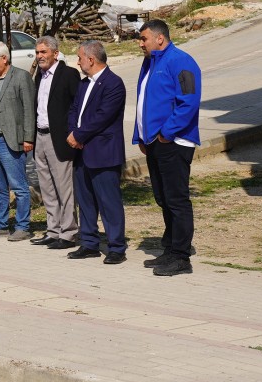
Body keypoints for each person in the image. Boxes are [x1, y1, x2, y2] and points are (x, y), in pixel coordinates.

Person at [132, 19, 203, 277]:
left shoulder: (180, 61)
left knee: (176, 199)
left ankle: (182, 258)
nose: (141, 44)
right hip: (154, 142)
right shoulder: (151, 63)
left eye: (144, 39)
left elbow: (189, 102)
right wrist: (140, 135)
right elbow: (143, 101)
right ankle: (171, 249)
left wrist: (166, 133)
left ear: (160, 38)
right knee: (163, 198)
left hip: (173, 142)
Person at [66, 41, 128, 264]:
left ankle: (116, 247)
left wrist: (79, 136)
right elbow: (74, 110)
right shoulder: (84, 84)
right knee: (86, 201)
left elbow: (102, 117)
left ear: (91, 59)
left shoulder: (113, 84)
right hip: (81, 151)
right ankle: (89, 243)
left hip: (103, 152)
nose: (78, 62)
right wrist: (73, 133)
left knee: (108, 202)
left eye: (80, 57)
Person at [0, 41, 36, 241]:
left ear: (5, 58)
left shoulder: (21, 77)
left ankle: (22, 226)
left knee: (18, 186)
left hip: (10, 141)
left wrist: (29, 137)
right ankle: (1, 225)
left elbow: (29, 109)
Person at [29, 36, 82, 249]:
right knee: (47, 187)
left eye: (43, 52)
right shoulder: (39, 76)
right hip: (40, 137)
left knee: (64, 187)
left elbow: (76, 107)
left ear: (55, 53)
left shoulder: (69, 74)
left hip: (59, 139)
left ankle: (68, 233)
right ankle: (53, 230)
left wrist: (73, 134)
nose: (40, 56)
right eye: (37, 52)